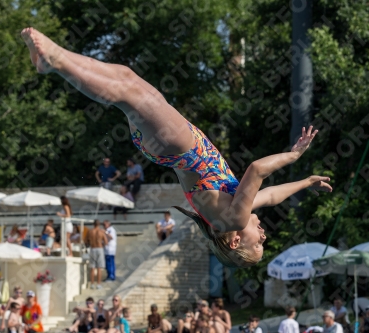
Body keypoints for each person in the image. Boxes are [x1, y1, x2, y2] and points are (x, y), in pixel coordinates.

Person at [20, 27, 333, 268]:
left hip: (180, 146)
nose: (264, 236)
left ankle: (55, 61)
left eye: (258, 244)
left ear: (236, 240)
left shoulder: (234, 219)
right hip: (169, 147)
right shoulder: (233, 212)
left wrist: (293, 156)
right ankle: (55, 55)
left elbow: (257, 170)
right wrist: (306, 182)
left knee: (124, 92)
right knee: (125, 79)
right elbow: (272, 195)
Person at [86, 219, 108, 289]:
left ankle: (92, 284)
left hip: (92, 249)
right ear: (99, 224)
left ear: (93, 224)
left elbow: (86, 241)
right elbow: (106, 242)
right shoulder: (101, 232)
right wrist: (102, 245)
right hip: (99, 248)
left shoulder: (90, 231)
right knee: (99, 268)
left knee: (92, 268)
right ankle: (98, 284)